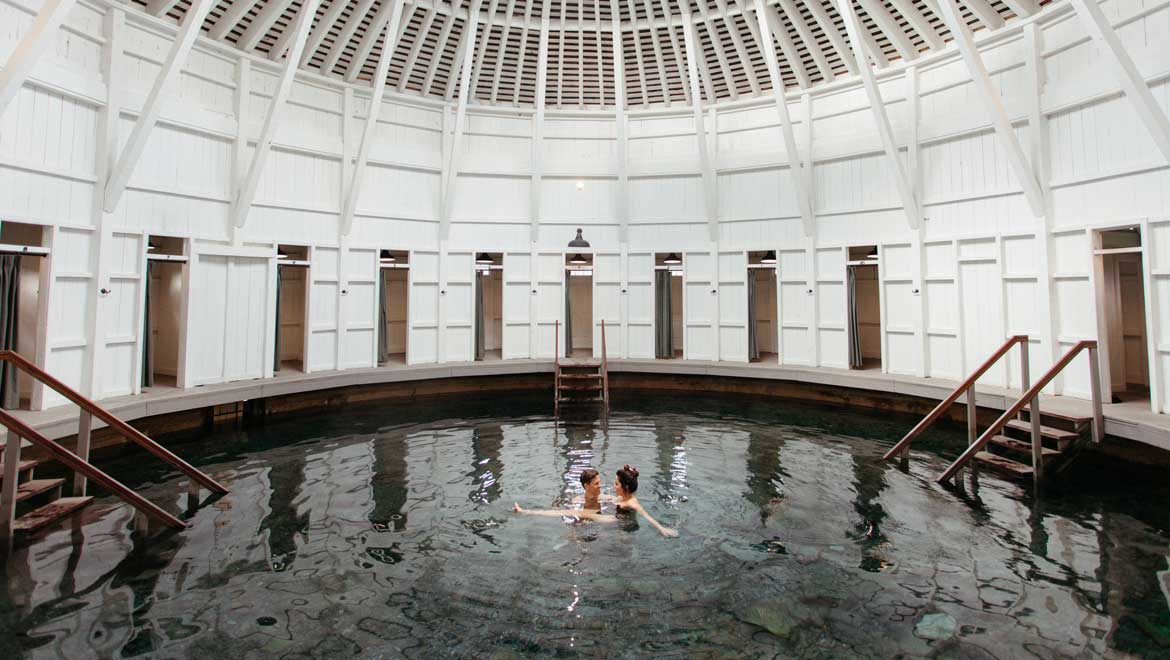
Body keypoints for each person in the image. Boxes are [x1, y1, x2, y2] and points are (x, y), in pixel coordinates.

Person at [513, 468, 615, 522]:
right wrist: (524, 511)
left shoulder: (605, 498)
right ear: (586, 486)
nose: (600, 486)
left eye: (599, 482)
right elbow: (559, 513)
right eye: (597, 483)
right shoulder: (577, 501)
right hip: (584, 525)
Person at [612, 465, 678, 538]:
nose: (614, 486)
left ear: (626, 487)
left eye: (616, 484)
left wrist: (662, 529)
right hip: (621, 524)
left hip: (628, 530)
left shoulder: (632, 503)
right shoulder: (623, 497)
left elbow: (647, 516)